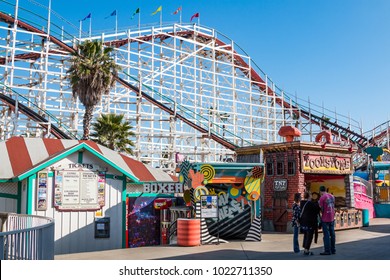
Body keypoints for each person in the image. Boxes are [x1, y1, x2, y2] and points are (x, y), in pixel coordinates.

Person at [299, 191, 320, 255]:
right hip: (310, 222)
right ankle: (306, 250)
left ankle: (305, 248)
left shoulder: (302, 203)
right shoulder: (310, 203)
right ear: (309, 196)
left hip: (303, 222)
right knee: (309, 236)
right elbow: (317, 210)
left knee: (306, 235)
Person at [318, 185, 336, 255]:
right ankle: (333, 249)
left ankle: (327, 250)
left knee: (326, 235)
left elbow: (321, 209)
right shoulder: (332, 196)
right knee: (332, 234)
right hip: (332, 217)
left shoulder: (322, 198)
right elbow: (333, 205)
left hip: (325, 219)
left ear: (320, 191)